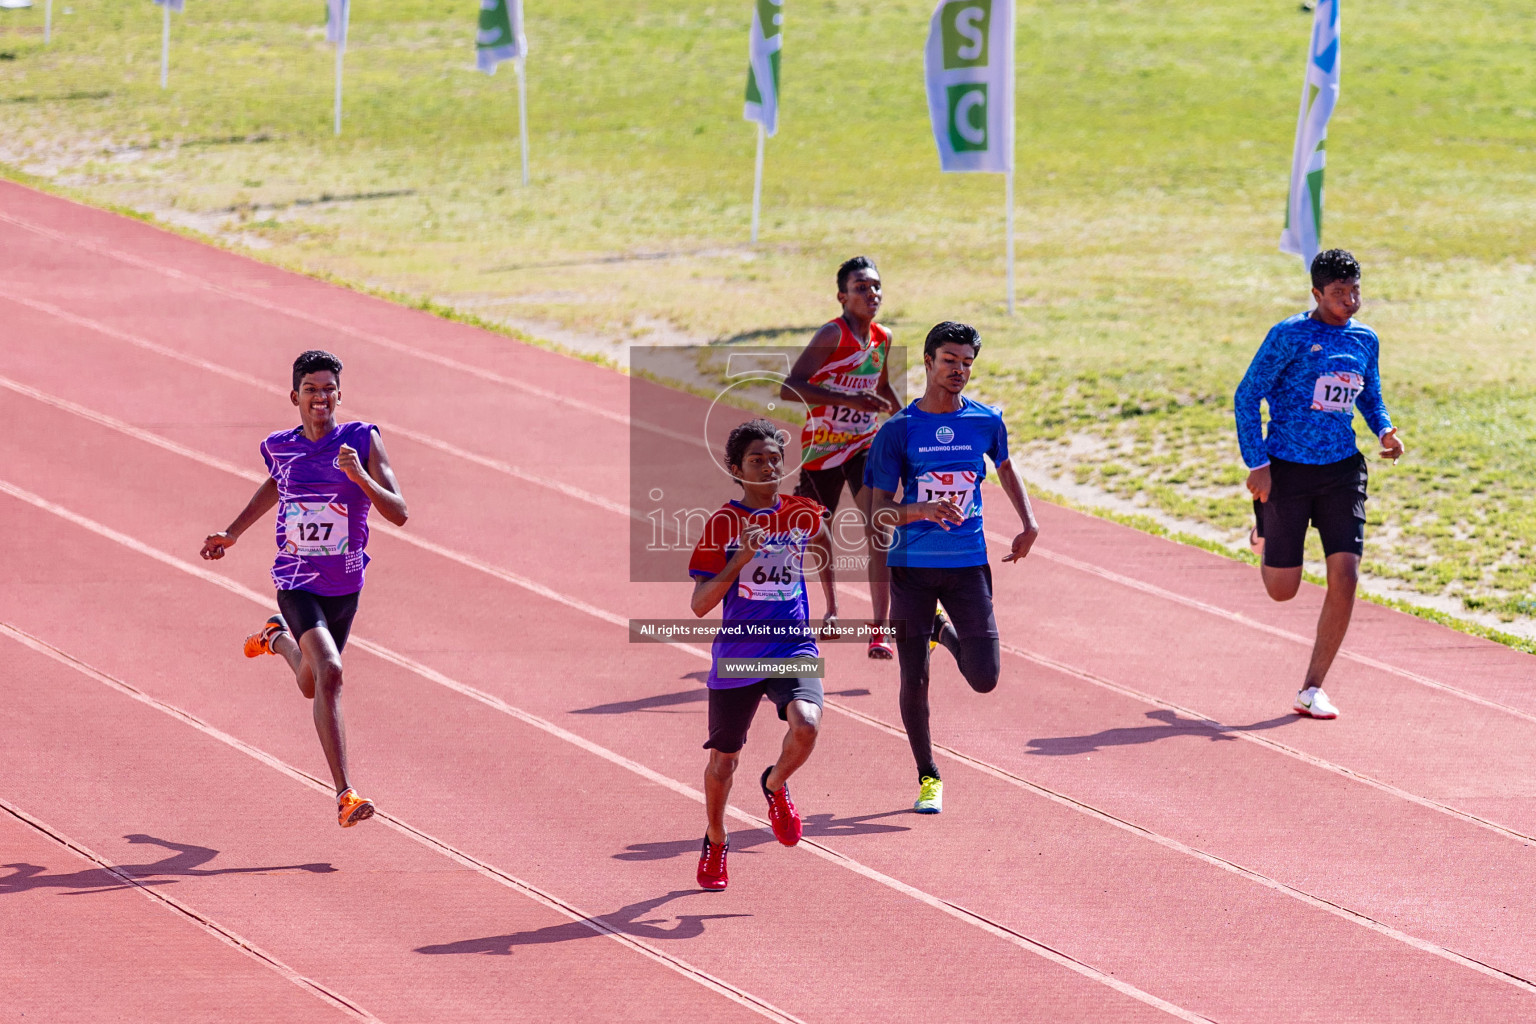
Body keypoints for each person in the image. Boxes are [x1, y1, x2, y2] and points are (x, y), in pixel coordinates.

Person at [200, 350, 409, 826]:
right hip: (297, 582)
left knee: (311, 682)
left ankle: (276, 639)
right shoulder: (279, 446)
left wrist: (359, 477)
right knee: (332, 673)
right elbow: (276, 483)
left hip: (345, 585)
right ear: (295, 396)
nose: (321, 397)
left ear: (340, 394)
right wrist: (233, 532)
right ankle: (346, 794)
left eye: (328, 389)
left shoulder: (361, 439)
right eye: (311, 389)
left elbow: (399, 512)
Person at [865, 322, 1040, 814]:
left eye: (966, 362)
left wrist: (1029, 522)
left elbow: (1004, 466)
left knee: (985, 677)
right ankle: (928, 774)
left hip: (967, 564)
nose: (959, 370)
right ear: (927, 360)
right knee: (913, 677)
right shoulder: (898, 431)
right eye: (949, 360)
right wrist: (921, 510)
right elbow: (877, 510)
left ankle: (942, 631)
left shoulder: (986, 421)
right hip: (911, 567)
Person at [1235, 249, 1403, 720]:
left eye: (1355, 292)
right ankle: (1263, 528)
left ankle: (1312, 688)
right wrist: (1258, 462)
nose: (1350, 301)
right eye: (1338, 294)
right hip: (1286, 469)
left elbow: (1370, 393)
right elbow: (1247, 396)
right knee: (1282, 590)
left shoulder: (1365, 339)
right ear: (1316, 293)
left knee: (1345, 577)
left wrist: (1385, 429)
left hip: (1342, 470)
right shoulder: (1288, 336)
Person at [688, 420, 836, 890]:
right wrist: (738, 559)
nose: (769, 467)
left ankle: (774, 784)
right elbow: (699, 605)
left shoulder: (801, 512)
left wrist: (833, 606)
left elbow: (822, 543)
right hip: (740, 653)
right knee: (724, 763)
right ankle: (715, 838)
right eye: (757, 460)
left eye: (774, 459)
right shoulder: (723, 524)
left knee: (807, 724)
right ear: (736, 469)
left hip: (793, 645)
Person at [781, 256, 902, 659]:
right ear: (842, 296)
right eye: (861, 287)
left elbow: (881, 389)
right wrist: (847, 398)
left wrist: (906, 425)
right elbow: (789, 388)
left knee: (878, 527)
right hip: (823, 444)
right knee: (815, 526)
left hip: (863, 444)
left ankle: (879, 630)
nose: (872, 294)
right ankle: (832, 608)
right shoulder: (831, 336)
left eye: (876, 287)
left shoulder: (882, 338)